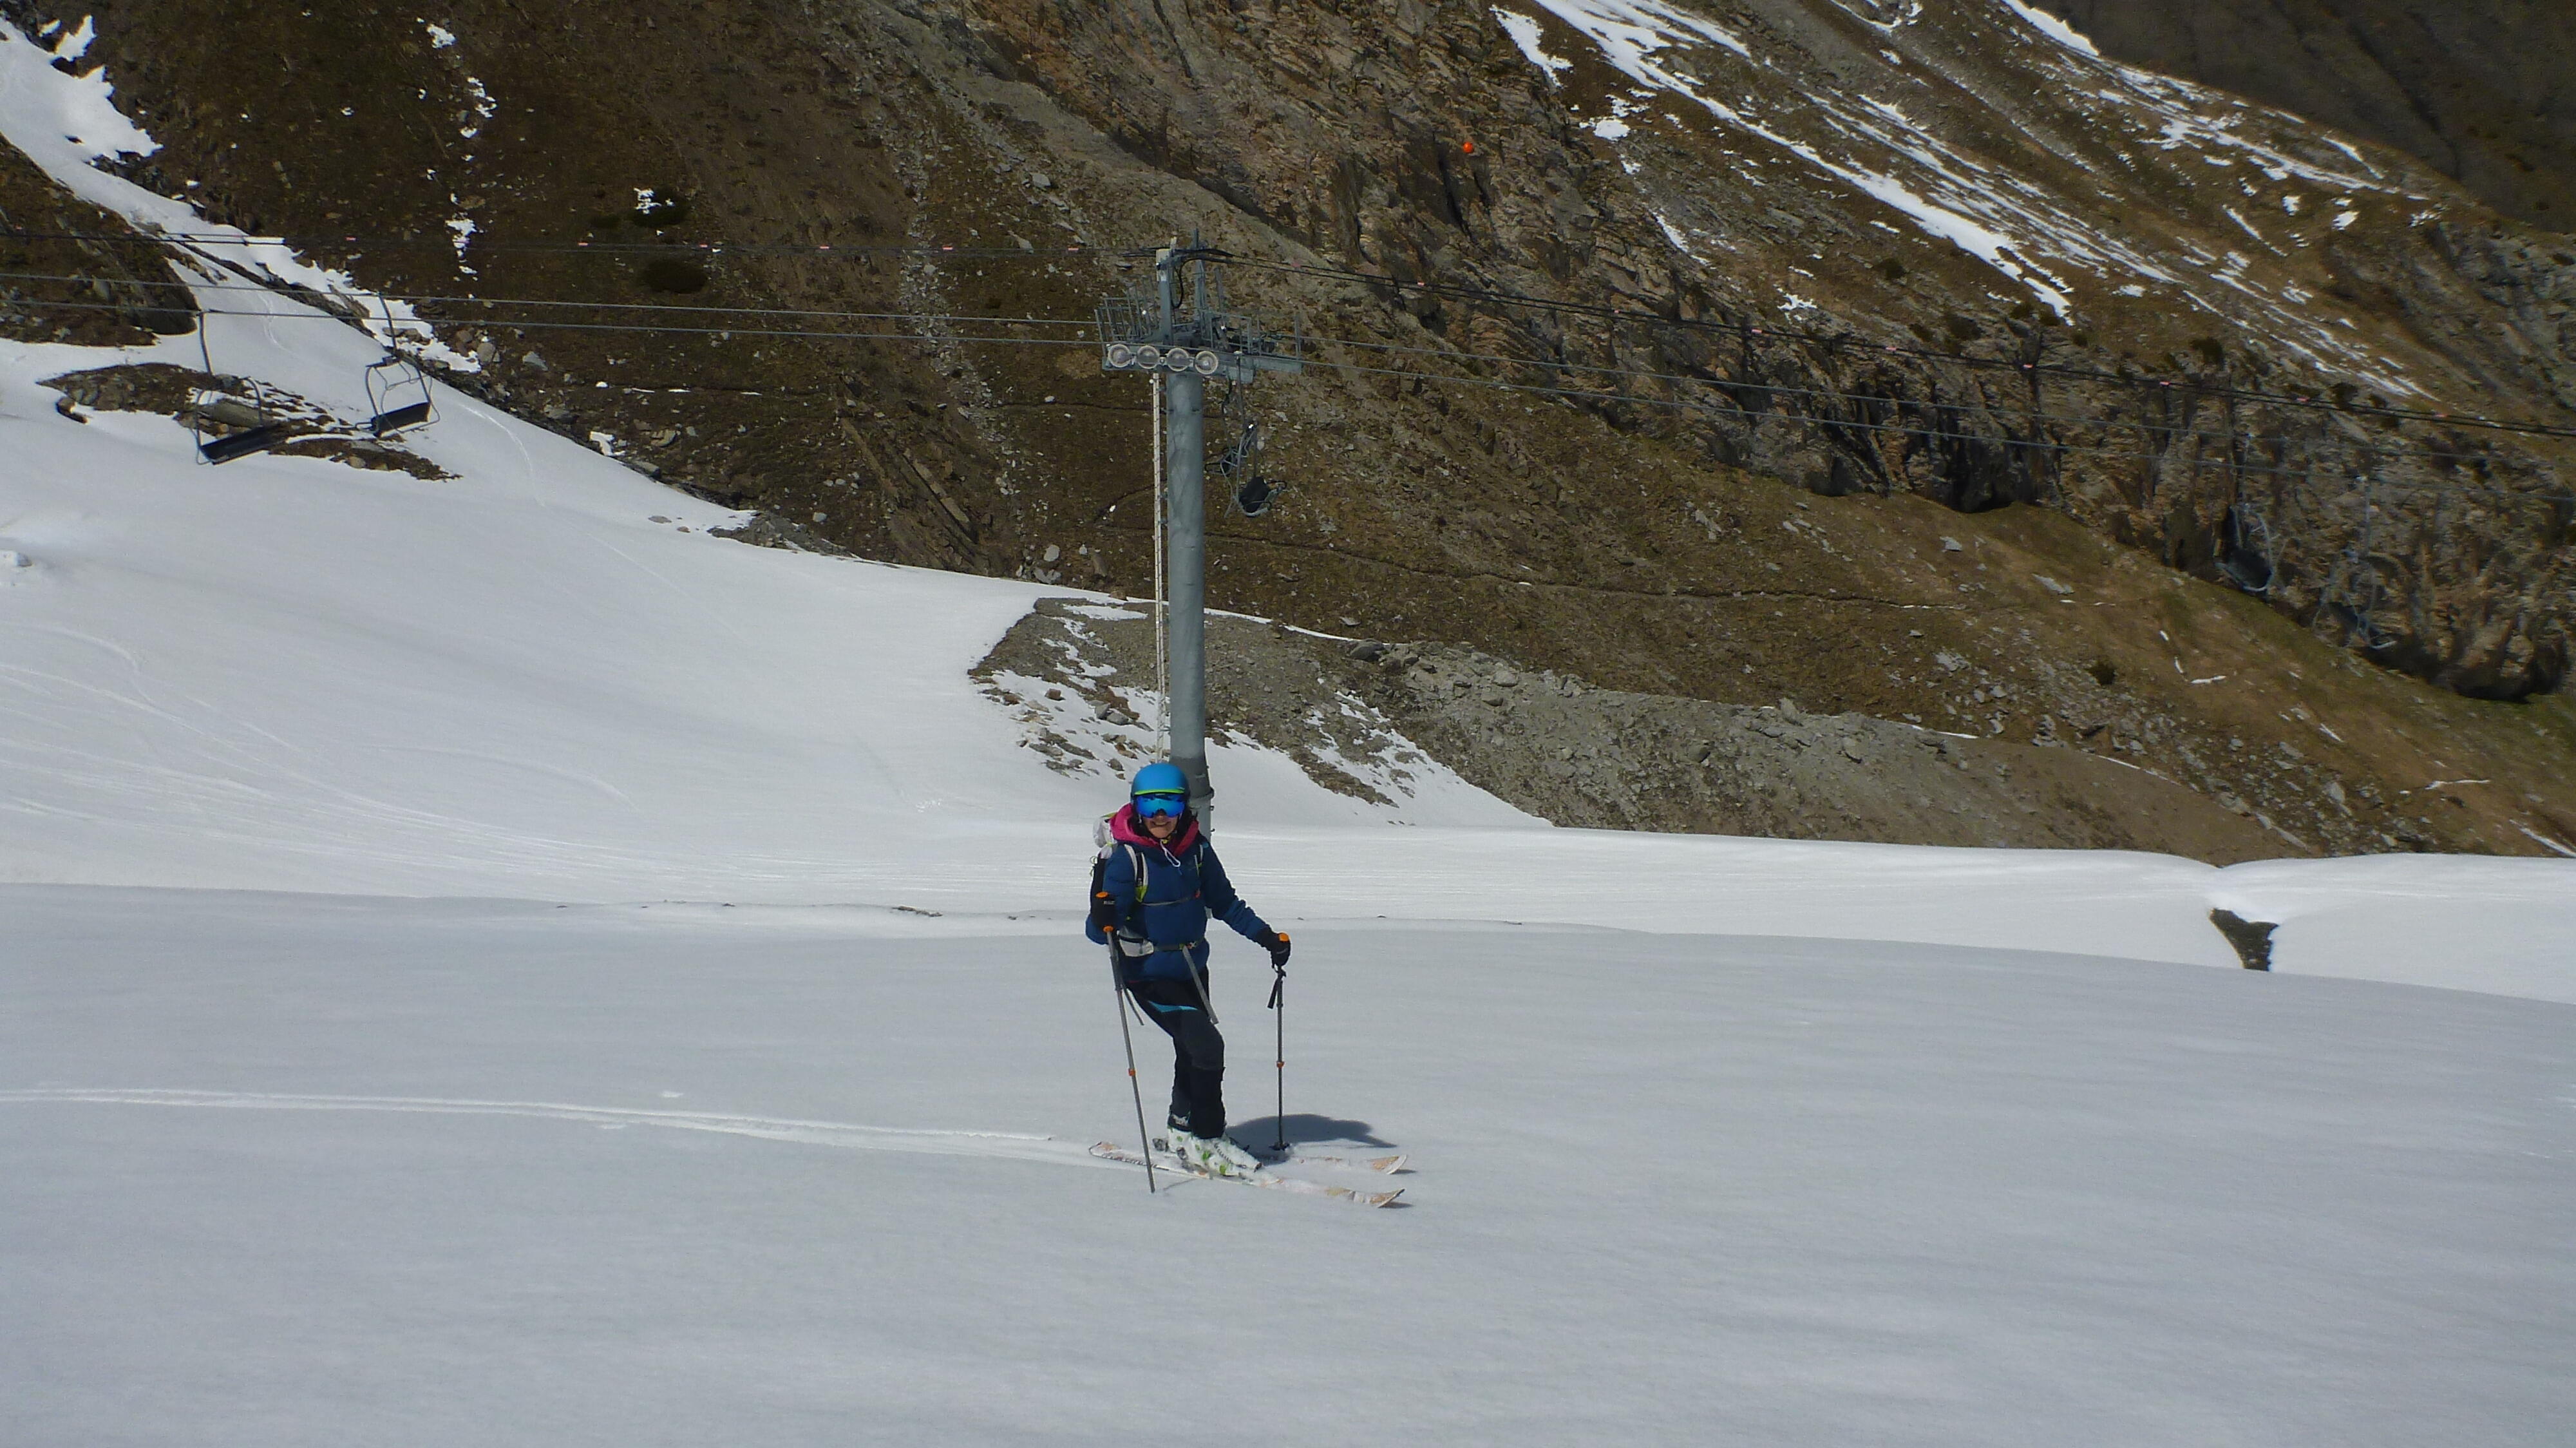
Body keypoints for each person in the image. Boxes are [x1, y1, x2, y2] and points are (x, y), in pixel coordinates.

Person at [1085, 761, 1291, 1177]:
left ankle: (1182, 1128)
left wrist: (1266, 937)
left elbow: (1225, 902)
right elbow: (1098, 932)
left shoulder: (1197, 850)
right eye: (1150, 805)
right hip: (1147, 974)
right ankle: (1208, 1138)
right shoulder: (1125, 859)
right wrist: (1102, 914)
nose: (1160, 815)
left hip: (1192, 968)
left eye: (1171, 804)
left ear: (1185, 807)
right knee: (1208, 1047)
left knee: (1192, 1050)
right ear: (1136, 807)